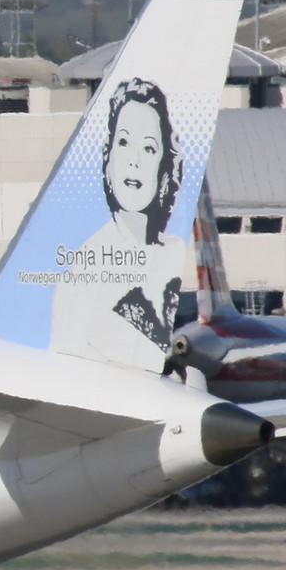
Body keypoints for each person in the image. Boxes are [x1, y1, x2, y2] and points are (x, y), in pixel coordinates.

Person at [50, 77, 185, 365]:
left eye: (149, 148)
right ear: (107, 157)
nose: (133, 160)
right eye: (123, 142)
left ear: (164, 168)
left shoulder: (174, 251)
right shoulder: (87, 266)